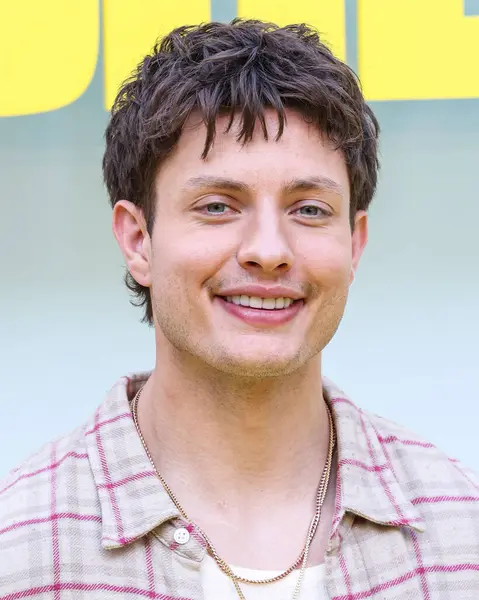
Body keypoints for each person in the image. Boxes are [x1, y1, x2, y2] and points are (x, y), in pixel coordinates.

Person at [0, 18, 478, 600]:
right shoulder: (19, 551)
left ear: (354, 246)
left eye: (308, 210)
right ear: (137, 240)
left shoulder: (463, 539)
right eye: (218, 206)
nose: (269, 252)